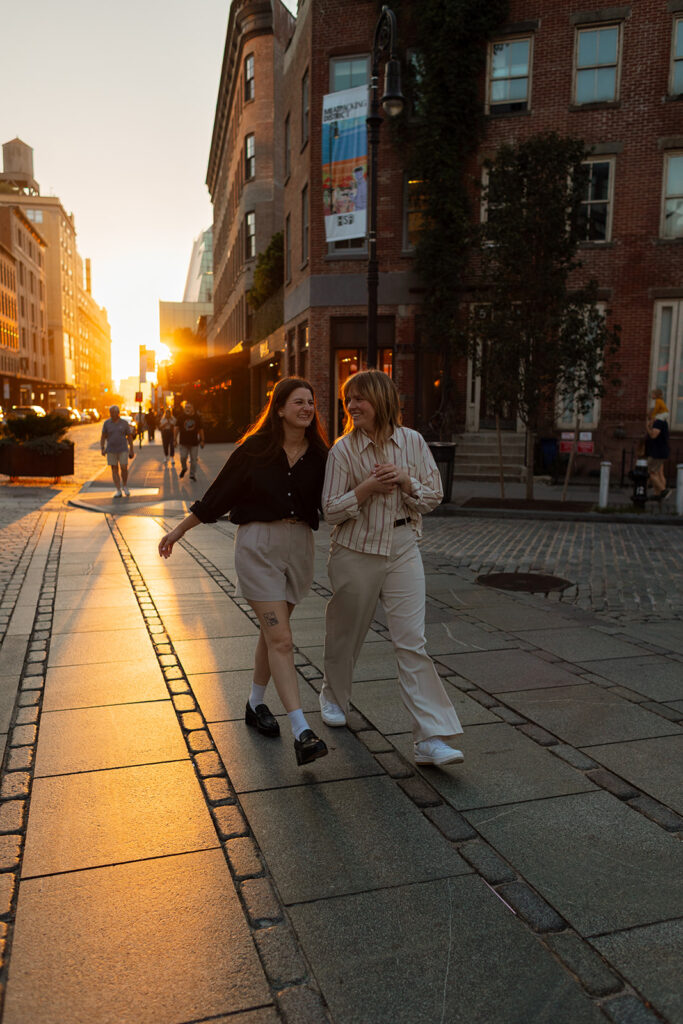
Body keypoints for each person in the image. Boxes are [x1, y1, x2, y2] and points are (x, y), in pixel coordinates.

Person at [158, 378, 330, 766]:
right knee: (282, 639)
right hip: (258, 548)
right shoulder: (253, 451)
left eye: (311, 402)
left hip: (299, 548)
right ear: (280, 408)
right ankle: (302, 731)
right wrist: (177, 531)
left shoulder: (321, 454)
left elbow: (335, 500)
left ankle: (255, 704)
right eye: (299, 402)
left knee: (273, 634)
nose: (307, 408)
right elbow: (216, 496)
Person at [320, 369, 464, 766]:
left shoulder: (413, 442)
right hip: (355, 551)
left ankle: (429, 738)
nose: (351, 406)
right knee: (346, 635)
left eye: (359, 399)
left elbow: (434, 496)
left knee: (412, 642)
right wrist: (365, 490)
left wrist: (405, 481)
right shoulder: (342, 451)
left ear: (381, 400)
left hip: (403, 548)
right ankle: (333, 694)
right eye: (348, 400)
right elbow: (330, 511)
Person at [100, 405, 135, 498]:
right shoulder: (107, 423)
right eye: (110, 412)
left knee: (124, 467)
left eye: (113, 412)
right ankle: (118, 489)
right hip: (111, 450)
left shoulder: (124, 423)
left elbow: (130, 437)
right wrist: (102, 448)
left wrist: (131, 449)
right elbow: (103, 436)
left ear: (118, 413)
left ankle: (125, 485)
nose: (111, 414)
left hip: (123, 449)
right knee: (114, 469)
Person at [646, 388, 671, 500]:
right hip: (660, 450)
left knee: (651, 472)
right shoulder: (662, 422)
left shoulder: (659, 423)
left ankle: (663, 490)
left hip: (657, 452)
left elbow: (653, 435)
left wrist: (647, 427)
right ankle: (657, 494)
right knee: (659, 473)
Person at [175, 402, 205, 480]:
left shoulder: (197, 418)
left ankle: (192, 474)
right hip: (183, 442)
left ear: (193, 408)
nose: (187, 409)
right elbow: (176, 428)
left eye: (189, 407)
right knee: (183, 457)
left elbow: (200, 429)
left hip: (194, 442)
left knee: (194, 460)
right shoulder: (180, 417)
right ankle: (184, 468)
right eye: (186, 407)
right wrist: (174, 440)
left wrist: (202, 440)